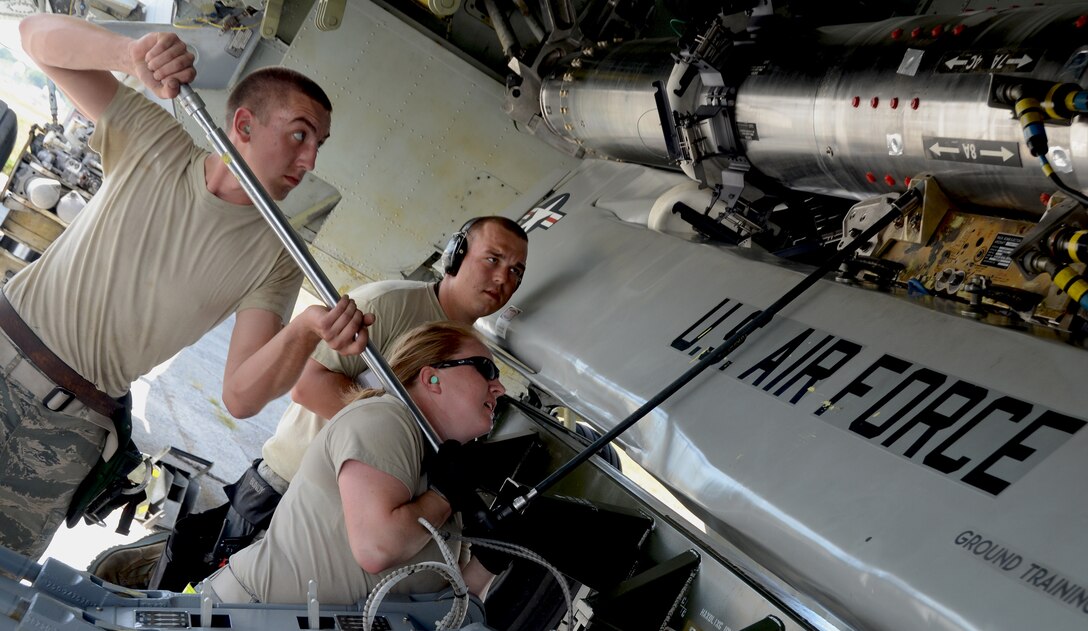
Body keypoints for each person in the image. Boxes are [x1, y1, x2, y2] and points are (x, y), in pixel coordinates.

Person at [2, 14, 370, 559]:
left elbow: (241, 396)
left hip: (67, 432)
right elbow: (33, 35)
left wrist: (305, 331)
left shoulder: (278, 256)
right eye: (300, 134)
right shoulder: (155, 141)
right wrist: (129, 56)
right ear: (244, 125)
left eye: (319, 144)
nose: (311, 159)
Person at [144, 216, 528, 590]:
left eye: (515, 271)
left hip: (366, 511)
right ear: (456, 255)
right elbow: (309, 386)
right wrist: (402, 445)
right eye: (492, 259)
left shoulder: (471, 350)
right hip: (293, 490)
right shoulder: (390, 304)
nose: (502, 278)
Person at [201, 321, 504, 604]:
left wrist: (489, 559)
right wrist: (443, 496)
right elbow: (377, 548)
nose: (499, 388)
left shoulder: (436, 464)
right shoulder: (385, 419)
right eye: (486, 370)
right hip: (254, 616)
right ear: (432, 378)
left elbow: (450, 608)